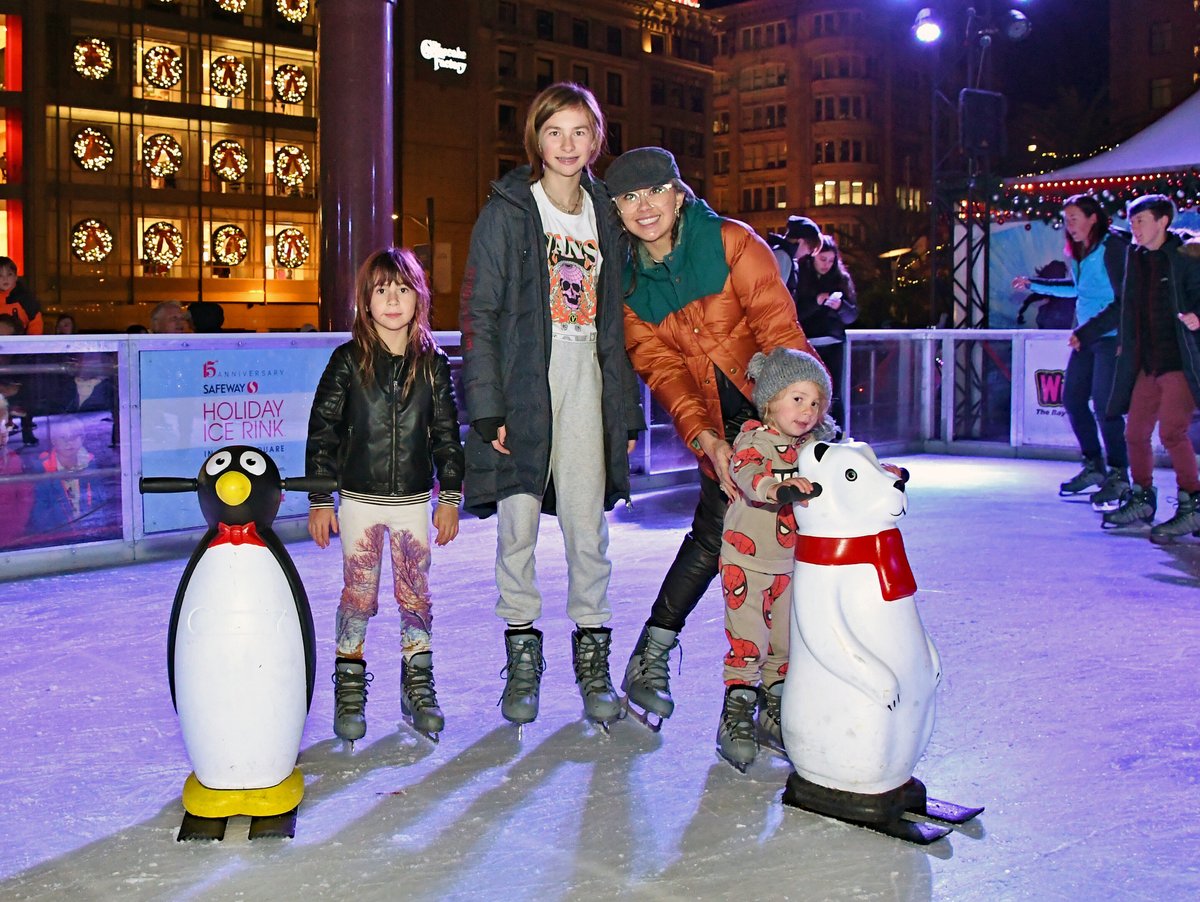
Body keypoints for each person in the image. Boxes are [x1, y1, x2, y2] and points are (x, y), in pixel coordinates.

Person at [609, 146, 818, 728]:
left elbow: (779, 331)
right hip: (717, 427)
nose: (644, 206)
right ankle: (663, 661)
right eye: (629, 197)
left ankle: (775, 688)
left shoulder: (731, 243)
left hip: (782, 411)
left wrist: (796, 421)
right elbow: (663, 371)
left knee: (792, 545)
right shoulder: (626, 284)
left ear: (679, 195)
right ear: (617, 210)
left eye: (655, 191)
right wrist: (707, 440)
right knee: (716, 533)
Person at [459, 82, 644, 732]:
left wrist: (627, 412)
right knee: (517, 526)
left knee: (587, 525)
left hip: (587, 378)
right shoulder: (510, 211)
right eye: (554, 131)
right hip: (523, 383)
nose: (567, 145)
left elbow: (622, 323)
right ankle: (523, 655)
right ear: (536, 139)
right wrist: (487, 406)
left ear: (596, 139)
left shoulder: (607, 215)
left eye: (580, 132)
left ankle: (593, 660)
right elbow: (479, 312)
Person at [306, 247, 464, 742]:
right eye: (381, 290)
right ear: (365, 301)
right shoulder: (348, 361)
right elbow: (323, 431)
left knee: (415, 596)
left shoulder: (432, 363)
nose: (393, 300)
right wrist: (320, 499)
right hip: (359, 501)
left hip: (413, 503)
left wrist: (450, 496)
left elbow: (446, 434)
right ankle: (350, 686)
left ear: (419, 298)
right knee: (358, 595)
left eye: (402, 290)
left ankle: (416, 684)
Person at [716, 348, 836, 770]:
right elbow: (749, 474)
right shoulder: (754, 441)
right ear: (770, 401)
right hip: (746, 563)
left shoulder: (813, 448)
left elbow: (844, 466)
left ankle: (774, 714)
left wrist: (876, 472)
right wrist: (773, 487)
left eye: (815, 403)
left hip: (790, 564)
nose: (807, 411)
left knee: (784, 646)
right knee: (749, 643)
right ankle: (737, 714)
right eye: (797, 399)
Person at [1091, 195, 1200, 541]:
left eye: (1141, 221)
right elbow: (1127, 307)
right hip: (1147, 364)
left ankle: (1193, 503)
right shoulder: (1135, 259)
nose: (1134, 228)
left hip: (1180, 361)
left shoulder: (1186, 256)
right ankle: (1142, 497)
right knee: (1135, 433)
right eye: (1132, 221)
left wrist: (1198, 317)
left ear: (1162, 222)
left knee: (1172, 433)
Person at [1012, 194, 1131, 509]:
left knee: (1105, 406)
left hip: (1111, 337)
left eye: (1075, 218)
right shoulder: (1081, 251)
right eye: (1066, 219)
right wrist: (1034, 284)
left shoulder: (1112, 247)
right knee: (1074, 400)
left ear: (1093, 218)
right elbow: (1077, 288)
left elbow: (1124, 300)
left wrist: (1087, 331)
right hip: (1088, 337)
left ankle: (1119, 474)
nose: (1069, 225)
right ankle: (1094, 465)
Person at [790, 234, 858, 426]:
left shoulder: (841, 280)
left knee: (833, 393)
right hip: (808, 344)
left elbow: (852, 316)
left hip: (833, 343)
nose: (827, 264)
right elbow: (795, 312)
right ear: (813, 257)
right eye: (823, 259)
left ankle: (836, 432)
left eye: (830, 260)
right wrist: (816, 302)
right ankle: (808, 430)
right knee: (807, 392)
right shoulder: (801, 277)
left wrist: (840, 306)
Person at [0, 395, 33, 549]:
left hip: (12, 539)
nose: (3, 432)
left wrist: (16, 530)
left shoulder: (14, 460)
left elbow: (25, 499)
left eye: (6, 425)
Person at [768, 214, 823, 285]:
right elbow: (776, 289)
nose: (808, 253)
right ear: (801, 241)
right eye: (810, 248)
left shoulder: (781, 254)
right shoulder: (783, 257)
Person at [0, 257, 43, 335]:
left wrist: (30, 341)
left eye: (9, 274)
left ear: (16, 277)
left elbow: (35, 322)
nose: (5, 279)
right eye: (0, 275)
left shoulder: (26, 300)